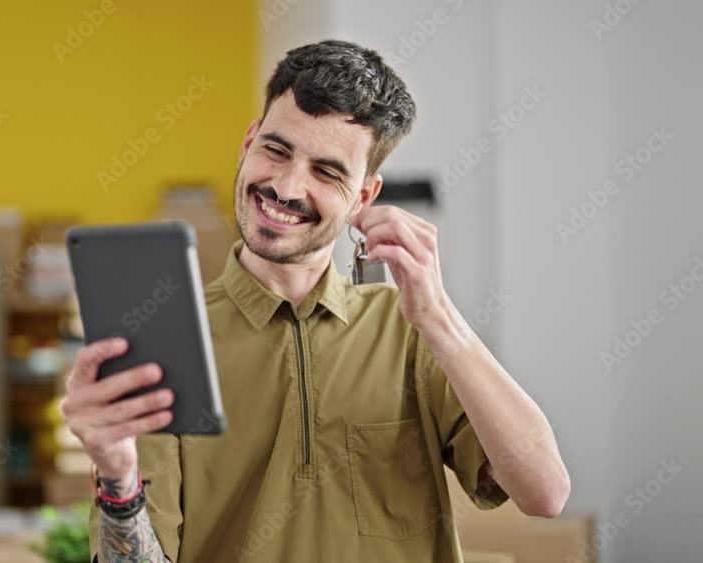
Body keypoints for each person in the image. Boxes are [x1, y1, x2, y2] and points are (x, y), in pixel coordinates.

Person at [61, 39, 570, 563]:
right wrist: (119, 482)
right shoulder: (166, 344)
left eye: (326, 172)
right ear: (248, 142)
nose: (286, 186)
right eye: (276, 150)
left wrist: (439, 317)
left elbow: (545, 492)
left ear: (364, 197)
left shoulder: (411, 332)